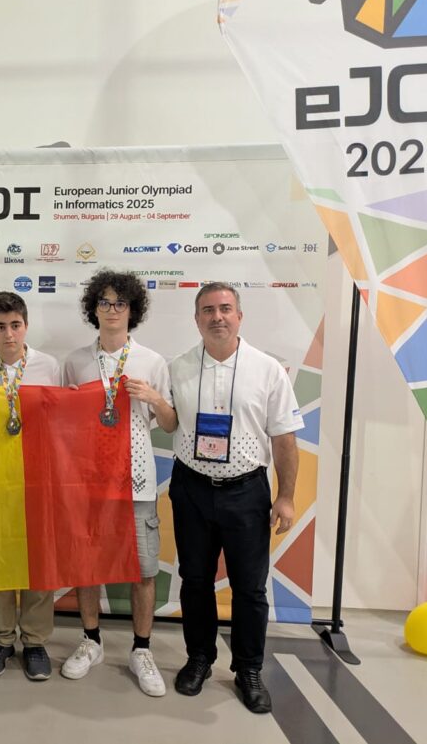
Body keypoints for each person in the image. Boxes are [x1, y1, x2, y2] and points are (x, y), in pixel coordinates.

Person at [168, 282, 301, 714]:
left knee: (249, 588)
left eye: (225, 309)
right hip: (191, 489)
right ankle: (199, 658)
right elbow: (168, 421)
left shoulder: (267, 369)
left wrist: (286, 497)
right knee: (195, 581)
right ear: (197, 319)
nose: (217, 317)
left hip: (246, 492)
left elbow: (284, 439)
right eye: (208, 310)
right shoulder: (178, 367)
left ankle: (248, 669)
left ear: (239, 316)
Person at [60, 270, 176, 697]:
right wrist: (71, 403)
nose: (112, 310)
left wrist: (155, 398)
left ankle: (141, 649)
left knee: (143, 569)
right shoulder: (75, 361)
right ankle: (90, 640)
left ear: (132, 310)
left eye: (120, 303)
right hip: (89, 482)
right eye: (105, 302)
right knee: (87, 565)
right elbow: (61, 425)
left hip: (137, 481)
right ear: (94, 309)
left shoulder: (152, 361)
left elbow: (170, 424)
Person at [0, 292, 62, 681]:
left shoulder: (49, 366)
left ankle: (35, 641)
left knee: (38, 561)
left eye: (15, 325)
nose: (9, 334)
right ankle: (2, 639)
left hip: (39, 476)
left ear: (26, 326)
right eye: (0, 327)